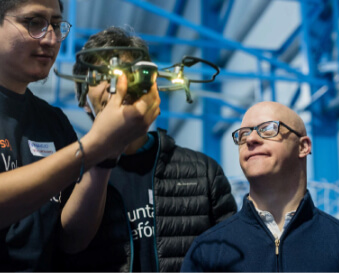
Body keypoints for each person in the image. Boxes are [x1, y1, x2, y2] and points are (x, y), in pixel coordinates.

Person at [0, 0, 160, 271]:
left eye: (55, 25)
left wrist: (107, 154)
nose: (52, 39)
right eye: (34, 23)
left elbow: (72, 239)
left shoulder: (53, 122)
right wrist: (93, 146)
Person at [59, 26, 237, 272]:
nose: (116, 85)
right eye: (101, 76)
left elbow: (231, 258)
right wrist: (104, 151)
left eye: (130, 73)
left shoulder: (203, 172)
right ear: (83, 101)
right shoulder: (64, 174)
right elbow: (66, 247)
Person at [181, 101, 339, 272]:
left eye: (267, 129)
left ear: (302, 146)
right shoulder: (207, 251)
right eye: (243, 134)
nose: (250, 139)